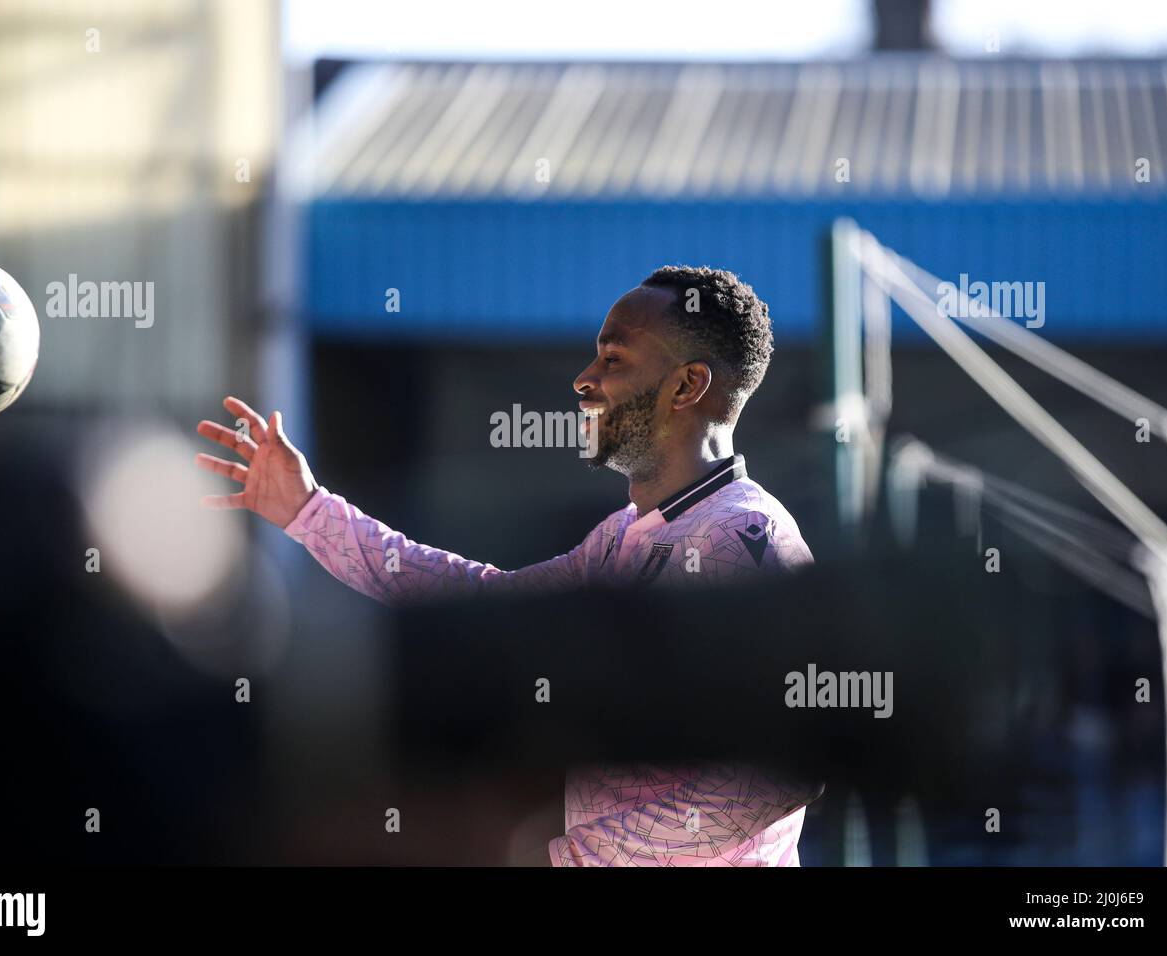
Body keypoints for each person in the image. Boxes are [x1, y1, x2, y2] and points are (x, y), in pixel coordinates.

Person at [197, 265, 816, 865]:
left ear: (686, 387)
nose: (583, 380)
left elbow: (785, 770)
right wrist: (309, 511)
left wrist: (566, 857)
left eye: (614, 359)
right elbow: (483, 600)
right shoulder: (621, 537)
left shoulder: (747, 537)